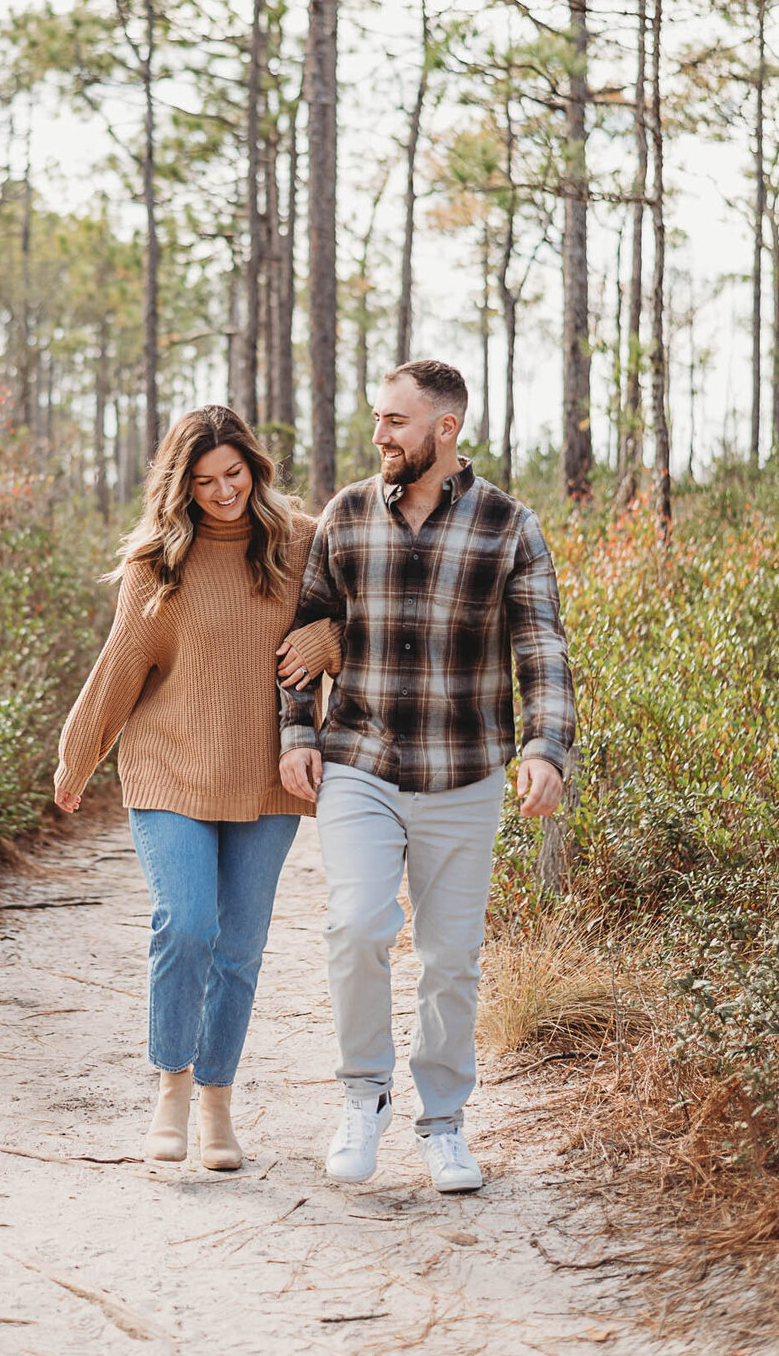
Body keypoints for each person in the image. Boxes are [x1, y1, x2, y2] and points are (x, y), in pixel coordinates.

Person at [279, 360, 575, 1194]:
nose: (380, 436)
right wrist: (296, 732)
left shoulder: (508, 526)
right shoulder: (345, 516)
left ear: (446, 429)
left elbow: (542, 649)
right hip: (360, 765)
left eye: (397, 422)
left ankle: (443, 1121)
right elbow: (303, 633)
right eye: (378, 419)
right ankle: (363, 1096)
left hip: (465, 774)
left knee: (451, 958)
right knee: (355, 927)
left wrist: (547, 748)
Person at [55, 406, 340, 1171]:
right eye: (206, 480)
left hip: (267, 777)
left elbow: (362, 622)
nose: (223, 493)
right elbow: (121, 667)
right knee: (186, 926)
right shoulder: (160, 563)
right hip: (169, 768)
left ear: (256, 468)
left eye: (234, 476)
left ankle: (218, 1103)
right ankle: (172, 1086)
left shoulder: (300, 542)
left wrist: (332, 641)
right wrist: (75, 759)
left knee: (239, 948)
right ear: (181, 484)